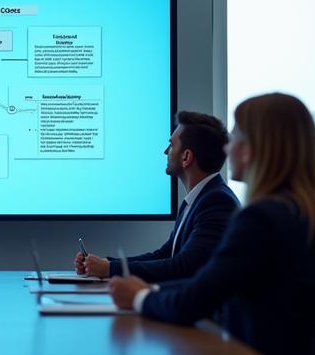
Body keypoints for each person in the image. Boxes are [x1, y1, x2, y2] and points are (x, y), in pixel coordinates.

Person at [111, 93, 315, 355]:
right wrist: (146, 289)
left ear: (253, 149)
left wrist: (140, 297)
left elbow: (197, 298)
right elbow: (212, 284)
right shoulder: (311, 218)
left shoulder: (260, 220)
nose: (227, 150)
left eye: (235, 139)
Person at [75, 111, 240, 282]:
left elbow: (185, 267)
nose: (166, 151)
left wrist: (110, 269)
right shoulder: (199, 199)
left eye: (171, 144)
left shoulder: (217, 202)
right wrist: (106, 264)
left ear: (186, 157)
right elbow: (166, 254)